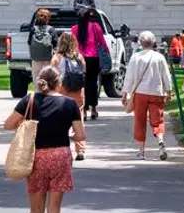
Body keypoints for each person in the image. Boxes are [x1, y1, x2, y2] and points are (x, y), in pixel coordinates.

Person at [4, 65, 85, 213]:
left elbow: (8, 124)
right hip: (60, 156)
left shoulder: (29, 101)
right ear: (59, 83)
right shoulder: (70, 104)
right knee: (54, 209)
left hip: (36, 157)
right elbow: (80, 135)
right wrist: (68, 136)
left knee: (36, 209)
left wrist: (26, 123)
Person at [120, 30, 173, 160]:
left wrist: (124, 93)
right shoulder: (159, 57)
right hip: (156, 92)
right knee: (157, 120)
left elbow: (129, 77)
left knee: (140, 121)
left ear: (140, 43)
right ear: (153, 43)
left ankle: (141, 151)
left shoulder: (136, 57)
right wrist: (169, 91)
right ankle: (160, 140)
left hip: (140, 94)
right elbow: (166, 75)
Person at [50, 32, 87, 160]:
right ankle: (80, 149)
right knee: (79, 119)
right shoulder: (79, 57)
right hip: (78, 91)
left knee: (61, 120)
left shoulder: (56, 57)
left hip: (63, 91)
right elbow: (84, 72)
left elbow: (52, 75)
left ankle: (61, 148)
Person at [74, 9, 107, 121]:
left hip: (80, 58)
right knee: (93, 83)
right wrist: (106, 53)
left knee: (81, 85)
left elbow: (73, 44)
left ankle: (83, 110)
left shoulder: (74, 29)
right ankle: (93, 109)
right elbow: (102, 42)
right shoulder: (95, 26)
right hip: (93, 58)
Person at [28, 8, 55, 83]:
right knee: (48, 79)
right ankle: (47, 93)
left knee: (37, 78)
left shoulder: (33, 29)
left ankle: (38, 93)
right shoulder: (51, 29)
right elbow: (55, 44)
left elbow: (29, 42)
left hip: (35, 59)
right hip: (48, 59)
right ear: (48, 18)